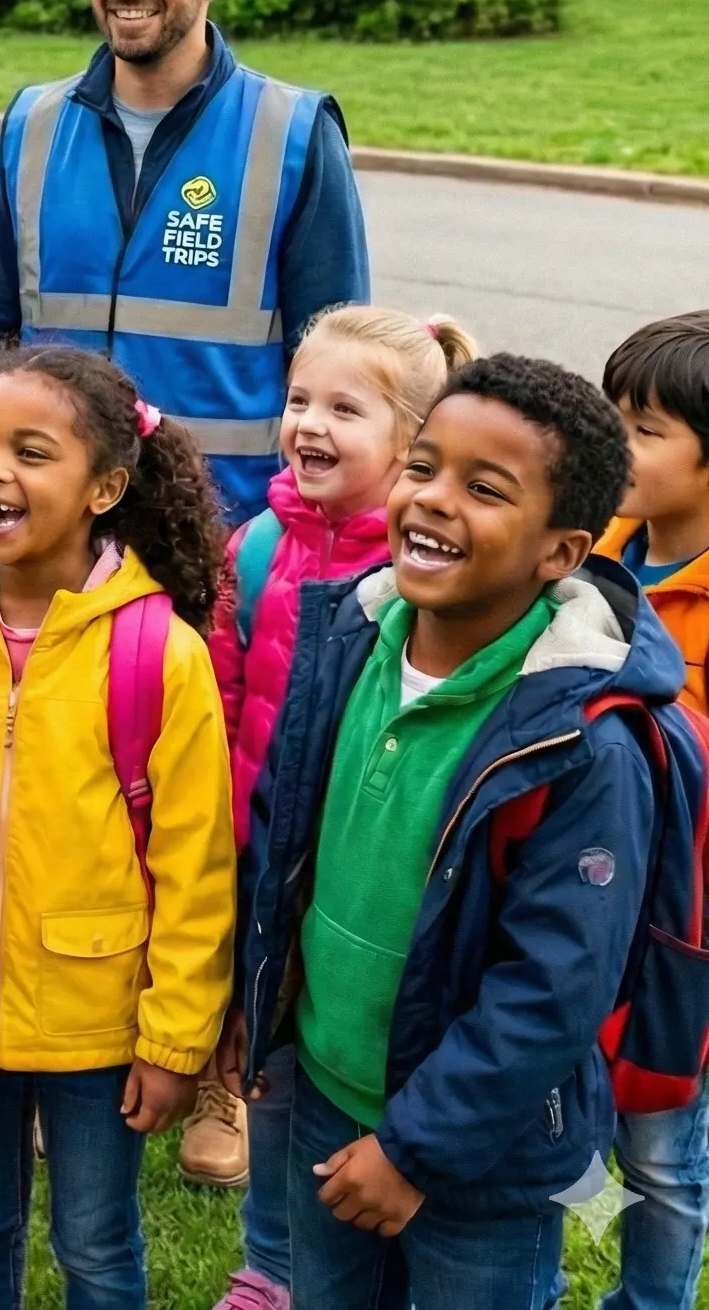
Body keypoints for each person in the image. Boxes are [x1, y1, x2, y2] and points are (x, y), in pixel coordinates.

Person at [230, 355, 664, 1310]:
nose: (432, 500)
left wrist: (412, 1150)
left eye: (485, 488)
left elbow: (554, 985)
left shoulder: (586, 743)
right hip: (327, 1090)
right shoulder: (348, 634)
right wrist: (255, 1012)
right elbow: (283, 846)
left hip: (481, 1151)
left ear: (560, 551)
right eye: (423, 467)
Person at [0, 344, 235, 1310]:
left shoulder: (159, 654)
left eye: (33, 453)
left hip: (99, 1024)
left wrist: (174, 1042)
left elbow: (197, 871)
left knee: (95, 1245)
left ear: (106, 486)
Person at [191, 305, 476, 1308]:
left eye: (341, 408)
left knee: (356, 1058)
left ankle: (384, 1248)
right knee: (270, 1071)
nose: (306, 423)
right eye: (297, 399)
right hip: (267, 862)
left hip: (362, 871)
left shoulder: (423, 565)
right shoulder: (257, 544)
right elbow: (222, 702)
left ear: (411, 440)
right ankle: (271, 1260)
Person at [0, 0, 370, 527]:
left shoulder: (292, 131)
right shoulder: (33, 125)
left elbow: (343, 367)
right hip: (52, 525)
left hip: (225, 529)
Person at [596, 311, 709, 1310]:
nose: (611, 440)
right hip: (576, 898)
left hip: (682, 928)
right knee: (556, 1127)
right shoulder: (591, 553)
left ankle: (649, 1299)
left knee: (663, 1154)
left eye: (640, 425)